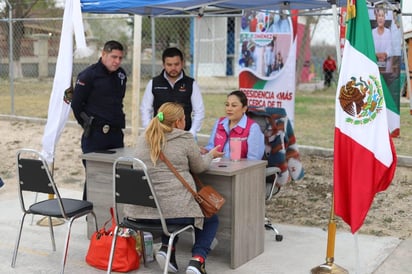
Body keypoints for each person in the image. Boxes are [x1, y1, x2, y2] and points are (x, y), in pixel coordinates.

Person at [124, 102, 223, 274]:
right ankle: (197, 261)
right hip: (171, 214)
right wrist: (211, 155)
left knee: (169, 205)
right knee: (209, 218)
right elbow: (199, 167)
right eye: (185, 118)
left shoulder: (143, 138)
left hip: (137, 215)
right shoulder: (184, 138)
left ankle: (167, 250)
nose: (186, 122)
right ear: (178, 122)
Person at [71, 40, 127, 200]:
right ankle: (91, 215)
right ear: (103, 54)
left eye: (120, 58)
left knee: (118, 175)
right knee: (95, 176)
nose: (116, 61)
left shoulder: (121, 75)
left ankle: (113, 217)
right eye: (113, 57)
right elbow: (76, 105)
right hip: (95, 136)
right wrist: (87, 124)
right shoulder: (88, 75)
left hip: (115, 134)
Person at [140, 47, 205, 138]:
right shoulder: (154, 83)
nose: (173, 68)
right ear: (163, 64)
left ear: (182, 63)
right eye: (169, 65)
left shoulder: (191, 84)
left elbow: (199, 111)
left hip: (184, 135)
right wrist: (149, 130)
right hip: (160, 135)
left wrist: (192, 132)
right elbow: (145, 109)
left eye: (176, 64)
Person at [201, 90, 265, 160]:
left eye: (234, 105)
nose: (229, 109)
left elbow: (253, 160)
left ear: (244, 108)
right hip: (217, 167)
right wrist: (205, 151)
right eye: (227, 105)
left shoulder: (253, 128)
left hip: (242, 170)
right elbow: (211, 147)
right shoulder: (219, 123)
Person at [372, 6, 392, 73]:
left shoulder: (388, 32)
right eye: (379, 15)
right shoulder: (372, 32)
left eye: (382, 16)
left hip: (386, 65)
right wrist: (377, 55)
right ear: (376, 18)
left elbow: (390, 47)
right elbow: (371, 47)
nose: (380, 18)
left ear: (385, 18)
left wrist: (385, 54)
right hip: (374, 63)